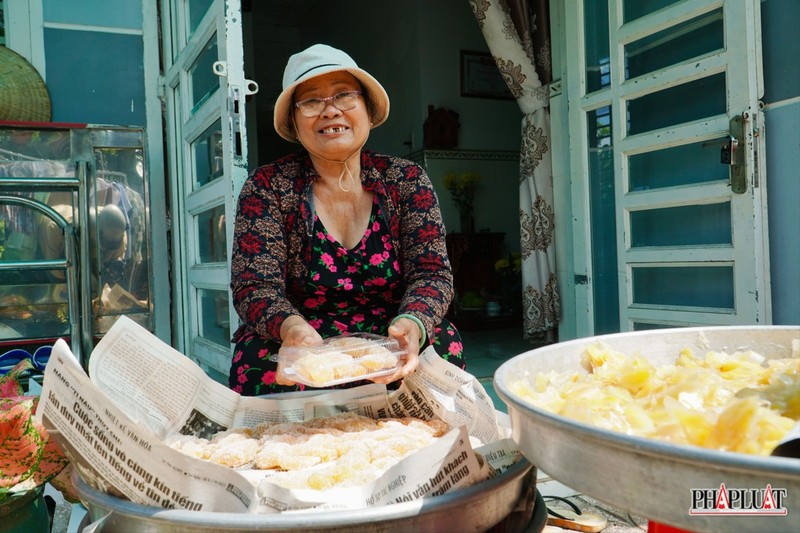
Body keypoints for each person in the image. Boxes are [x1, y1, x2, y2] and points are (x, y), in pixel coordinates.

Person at [229, 44, 465, 396]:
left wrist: (411, 323)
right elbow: (254, 286)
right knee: (257, 360)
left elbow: (432, 273)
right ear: (294, 124)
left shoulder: (407, 180)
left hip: (389, 332)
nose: (330, 111)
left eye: (344, 95)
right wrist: (291, 329)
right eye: (311, 101)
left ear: (368, 112)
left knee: (443, 344)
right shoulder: (267, 187)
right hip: (303, 334)